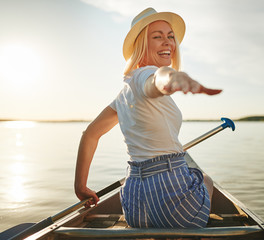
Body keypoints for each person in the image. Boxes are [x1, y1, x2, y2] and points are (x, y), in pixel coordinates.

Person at [74, 7, 222, 228]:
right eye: (157, 36)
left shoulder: (123, 93)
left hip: (134, 205)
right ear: (142, 44)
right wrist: (172, 78)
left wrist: (81, 187)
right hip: (172, 201)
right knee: (205, 180)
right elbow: (157, 80)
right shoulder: (147, 75)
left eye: (170, 37)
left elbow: (90, 135)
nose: (168, 42)